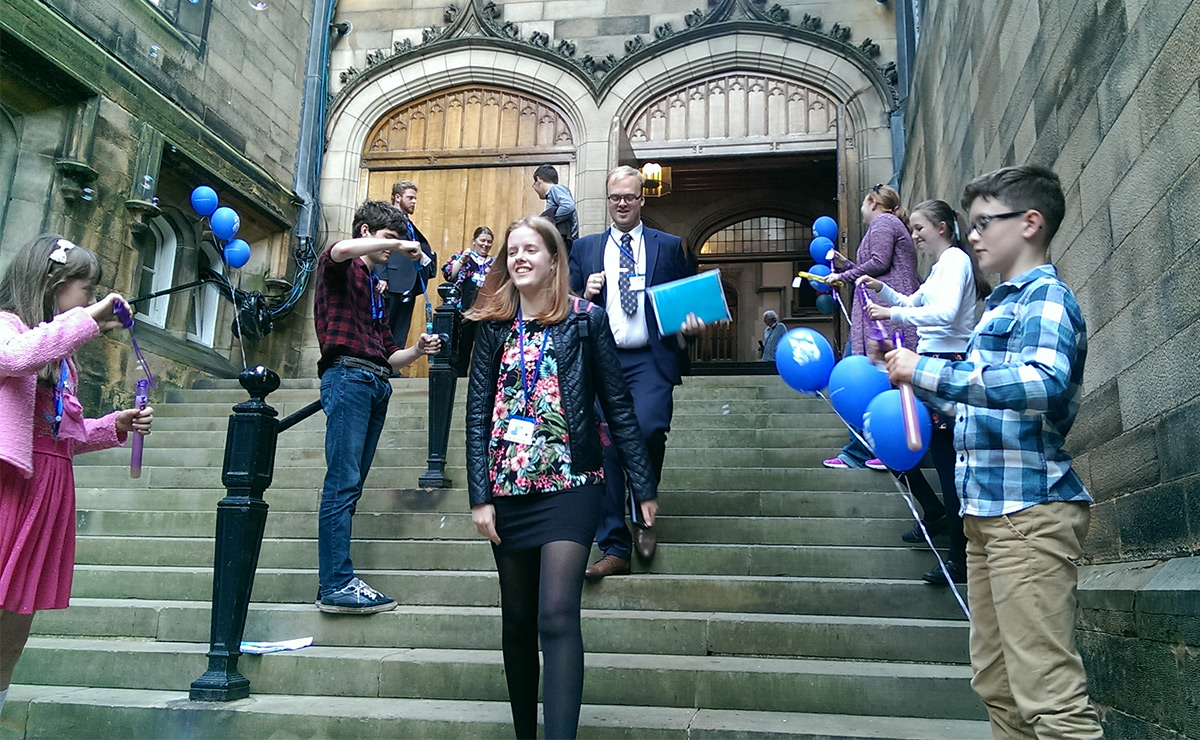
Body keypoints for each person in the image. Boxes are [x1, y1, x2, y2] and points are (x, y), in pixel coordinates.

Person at [885, 165, 1102, 739]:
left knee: (1048, 696)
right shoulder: (997, 310)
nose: (973, 235)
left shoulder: (1046, 297)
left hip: (1028, 512)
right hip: (985, 513)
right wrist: (921, 386)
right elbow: (984, 405)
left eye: (984, 222)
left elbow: (1043, 383)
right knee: (997, 685)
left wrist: (929, 369)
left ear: (1031, 223)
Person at [465, 216, 656, 740]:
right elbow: (477, 411)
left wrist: (643, 485)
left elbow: (617, 403)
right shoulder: (494, 325)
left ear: (554, 259)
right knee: (518, 621)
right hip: (508, 487)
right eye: (512, 251)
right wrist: (479, 496)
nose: (520, 258)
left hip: (573, 482)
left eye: (531, 249)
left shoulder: (585, 319)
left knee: (555, 615)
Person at [0, 235, 154, 713]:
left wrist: (113, 425)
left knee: (17, 608)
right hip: (10, 484)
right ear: (53, 283)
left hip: (49, 483)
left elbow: (60, 433)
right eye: (85, 289)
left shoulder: (61, 355)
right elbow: (13, 357)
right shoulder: (7, 325)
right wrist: (86, 318)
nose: (90, 300)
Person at [568, 165, 701, 579]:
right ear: (607, 201)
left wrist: (688, 326)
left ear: (643, 199)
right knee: (604, 447)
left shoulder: (670, 245)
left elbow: (683, 302)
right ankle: (614, 545)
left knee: (646, 431)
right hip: (601, 359)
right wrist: (581, 294)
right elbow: (564, 304)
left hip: (649, 358)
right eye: (614, 198)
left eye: (629, 197)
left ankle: (644, 510)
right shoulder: (585, 248)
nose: (621, 204)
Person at [314, 200, 441, 614]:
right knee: (342, 483)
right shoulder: (339, 267)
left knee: (350, 485)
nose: (394, 248)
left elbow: (389, 356)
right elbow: (336, 251)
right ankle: (335, 584)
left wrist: (417, 350)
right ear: (365, 232)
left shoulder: (373, 287)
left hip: (374, 381)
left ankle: (338, 581)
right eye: (388, 238)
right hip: (347, 377)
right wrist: (406, 241)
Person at [858, 199, 990, 585]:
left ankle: (960, 557)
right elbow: (909, 302)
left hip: (946, 366)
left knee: (948, 465)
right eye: (913, 228)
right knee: (906, 451)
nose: (914, 235)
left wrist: (894, 315)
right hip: (930, 365)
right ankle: (938, 521)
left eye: (919, 228)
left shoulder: (955, 262)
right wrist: (882, 290)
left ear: (942, 227)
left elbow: (946, 314)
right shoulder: (939, 268)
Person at [823, 183, 920, 471]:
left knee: (869, 379)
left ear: (872, 202)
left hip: (885, 318)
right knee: (878, 379)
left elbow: (879, 262)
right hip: (881, 315)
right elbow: (880, 265)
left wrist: (845, 275)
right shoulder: (887, 224)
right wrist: (848, 266)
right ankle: (872, 448)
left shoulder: (883, 222)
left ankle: (862, 451)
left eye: (864, 204)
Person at [373, 180, 438, 348]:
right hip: (391, 281)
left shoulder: (408, 223)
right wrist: (381, 276)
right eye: (410, 197)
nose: (414, 202)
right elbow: (379, 246)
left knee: (401, 329)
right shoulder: (386, 218)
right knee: (385, 326)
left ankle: (393, 368)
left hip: (409, 282)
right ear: (397, 197)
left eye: (415, 198)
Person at [441, 226, 495, 312]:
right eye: (482, 240)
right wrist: (461, 261)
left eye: (489, 242)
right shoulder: (462, 256)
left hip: (484, 310)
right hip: (461, 307)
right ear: (474, 241)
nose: (485, 244)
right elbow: (449, 275)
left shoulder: (494, 263)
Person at [532, 165, 579, 252]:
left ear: (538, 180)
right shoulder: (555, 191)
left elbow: (568, 206)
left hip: (566, 241)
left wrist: (550, 221)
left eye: (534, 184)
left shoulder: (555, 189)